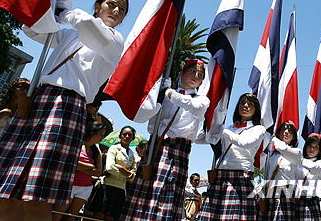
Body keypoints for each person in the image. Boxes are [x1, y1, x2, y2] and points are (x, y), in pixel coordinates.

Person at [0, 0, 129, 221]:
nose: (116, 10)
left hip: (68, 107)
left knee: (38, 195)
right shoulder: (70, 35)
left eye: (122, 9)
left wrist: (67, 13)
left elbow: (88, 26)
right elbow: (33, 31)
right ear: (98, 5)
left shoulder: (114, 41)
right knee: (9, 192)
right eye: (111, 4)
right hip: (39, 101)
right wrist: (51, 10)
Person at [121, 60, 209, 221]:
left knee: (167, 195)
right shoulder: (166, 93)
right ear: (181, 73)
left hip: (178, 150)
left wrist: (170, 93)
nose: (195, 76)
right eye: (192, 71)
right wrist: (161, 93)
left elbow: (192, 106)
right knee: (144, 195)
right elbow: (152, 124)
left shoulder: (202, 100)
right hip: (157, 145)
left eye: (200, 75)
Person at [196, 93, 266, 221]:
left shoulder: (259, 129)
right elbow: (201, 139)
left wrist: (221, 130)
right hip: (221, 177)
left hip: (241, 178)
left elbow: (244, 143)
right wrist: (208, 124)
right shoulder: (229, 127)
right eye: (242, 103)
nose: (245, 106)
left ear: (256, 110)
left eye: (250, 104)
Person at [52, 121, 106, 221]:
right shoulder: (77, 144)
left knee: (70, 217)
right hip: (69, 184)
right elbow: (70, 163)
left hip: (85, 188)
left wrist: (80, 167)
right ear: (92, 132)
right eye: (100, 134)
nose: (102, 137)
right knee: (56, 215)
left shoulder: (97, 151)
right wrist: (90, 166)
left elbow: (98, 171)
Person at [263, 120, 302, 221]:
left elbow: (282, 148)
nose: (286, 132)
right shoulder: (271, 154)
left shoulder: (296, 152)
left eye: (289, 131)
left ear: (293, 136)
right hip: (271, 192)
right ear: (279, 133)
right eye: (283, 129)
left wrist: (273, 139)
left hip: (287, 192)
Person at [102, 126, 138, 221]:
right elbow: (110, 167)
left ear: (133, 138)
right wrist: (127, 174)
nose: (126, 136)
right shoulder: (114, 148)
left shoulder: (132, 155)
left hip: (121, 189)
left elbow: (133, 176)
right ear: (120, 136)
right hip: (108, 185)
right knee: (102, 215)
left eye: (129, 135)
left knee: (113, 216)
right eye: (124, 134)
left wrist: (121, 168)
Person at [295, 133, 321, 221]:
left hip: (311, 201)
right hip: (297, 201)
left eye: (316, 147)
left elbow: (314, 168)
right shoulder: (298, 162)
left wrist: (299, 159)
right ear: (306, 146)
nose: (312, 149)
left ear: (319, 150)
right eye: (310, 145)